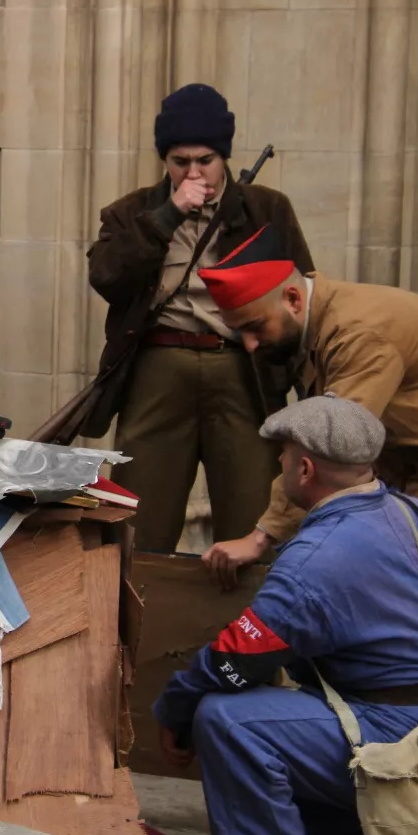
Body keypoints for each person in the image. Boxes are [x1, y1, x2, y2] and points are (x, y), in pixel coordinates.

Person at [195, 225, 418, 801]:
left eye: (255, 328)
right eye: (240, 333)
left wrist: (263, 535)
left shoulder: (359, 332)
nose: (250, 345)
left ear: (294, 299)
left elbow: (323, 450)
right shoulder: (322, 320)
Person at [156, 394, 418, 835]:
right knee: (292, 824)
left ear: (306, 468)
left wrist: (174, 714)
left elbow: (236, 659)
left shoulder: (316, 559)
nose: (281, 466)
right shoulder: (413, 512)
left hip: (381, 730)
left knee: (228, 720)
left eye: (284, 457)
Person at [86, 83, 314, 553]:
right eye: (180, 161)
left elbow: (303, 294)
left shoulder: (266, 209)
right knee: (138, 519)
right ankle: (135, 619)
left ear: (224, 156)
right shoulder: (134, 212)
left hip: (242, 368)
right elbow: (107, 277)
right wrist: (168, 216)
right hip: (159, 365)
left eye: (204, 160)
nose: (193, 172)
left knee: (252, 513)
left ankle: (241, 625)